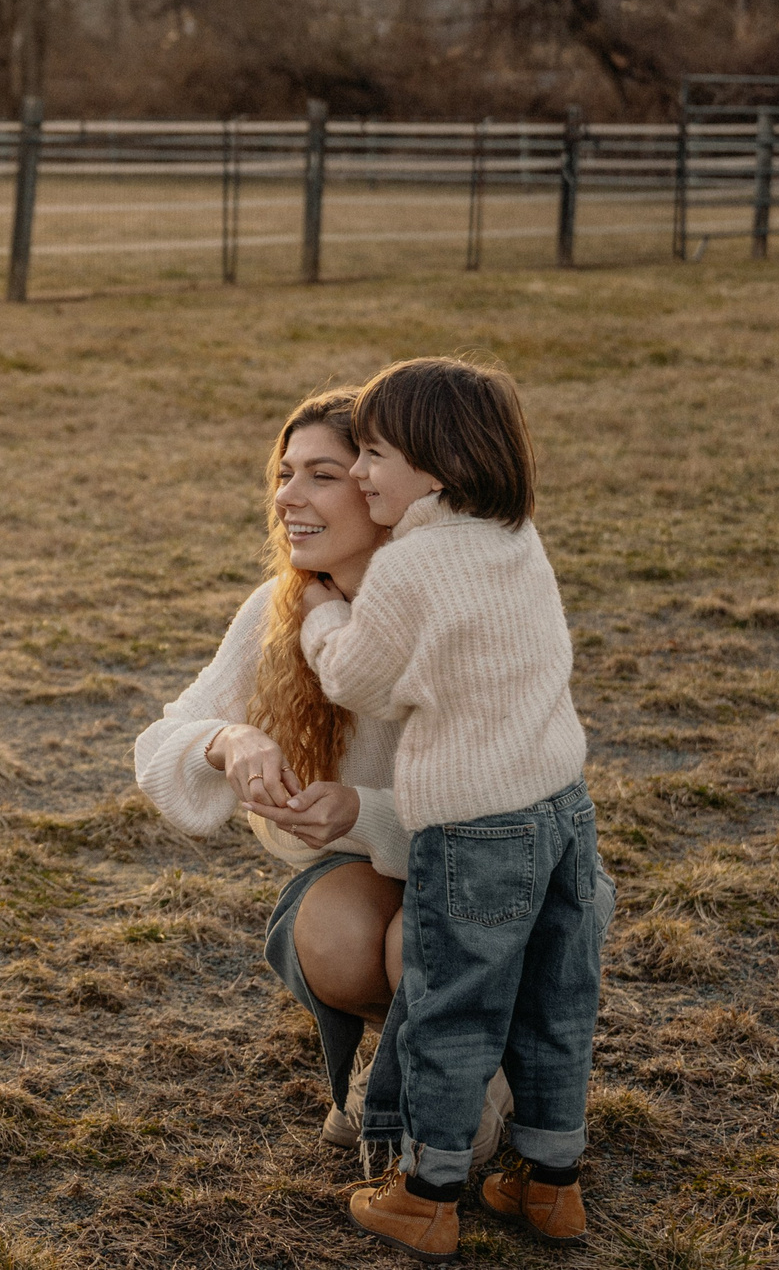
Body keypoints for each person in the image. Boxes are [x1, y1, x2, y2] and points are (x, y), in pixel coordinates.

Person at [134, 388, 509, 1169]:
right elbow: (160, 742)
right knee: (333, 937)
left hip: (495, 869)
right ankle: (406, 1049)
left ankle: (482, 1071)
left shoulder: (455, 615)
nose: (286, 498)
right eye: (284, 472)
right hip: (383, 869)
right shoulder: (283, 606)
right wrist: (228, 740)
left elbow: (494, 816)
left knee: (421, 941)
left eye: (322, 475)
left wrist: (357, 811)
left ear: (385, 491)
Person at [300, 357, 614, 1259]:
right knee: (556, 998)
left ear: (436, 466)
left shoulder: (409, 567)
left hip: (474, 832)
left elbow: (359, 677)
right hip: (562, 809)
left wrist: (324, 616)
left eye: (376, 456)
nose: (359, 473)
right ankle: (551, 1184)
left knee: (451, 1005)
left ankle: (428, 1190)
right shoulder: (517, 538)